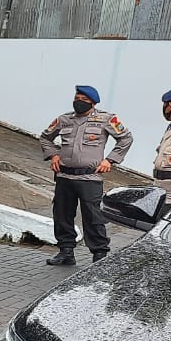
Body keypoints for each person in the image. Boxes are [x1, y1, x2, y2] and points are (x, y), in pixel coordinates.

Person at [38, 84, 132, 266]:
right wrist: (54, 154)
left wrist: (110, 160)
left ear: (93, 102)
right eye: (77, 98)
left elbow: (126, 138)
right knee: (62, 214)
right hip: (65, 176)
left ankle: (99, 255)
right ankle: (66, 252)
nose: (79, 102)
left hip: (90, 178)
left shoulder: (106, 119)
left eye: (84, 100)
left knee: (93, 217)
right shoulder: (64, 119)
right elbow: (45, 137)